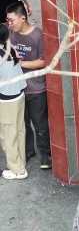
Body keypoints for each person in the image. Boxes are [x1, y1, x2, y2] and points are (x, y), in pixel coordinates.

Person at [6, 3, 50, 169]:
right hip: (17, 89)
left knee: (40, 124)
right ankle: (28, 150)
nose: (10, 24)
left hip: (36, 89)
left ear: (22, 18)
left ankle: (46, 156)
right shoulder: (10, 33)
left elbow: (44, 61)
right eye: (8, 21)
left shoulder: (38, 36)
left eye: (12, 20)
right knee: (22, 123)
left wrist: (19, 62)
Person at [0, 23, 27, 180]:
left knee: (7, 135)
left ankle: (17, 170)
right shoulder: (11, 49)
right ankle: (20, 162)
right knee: (19, 130)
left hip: (6, 101)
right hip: (19, 95)